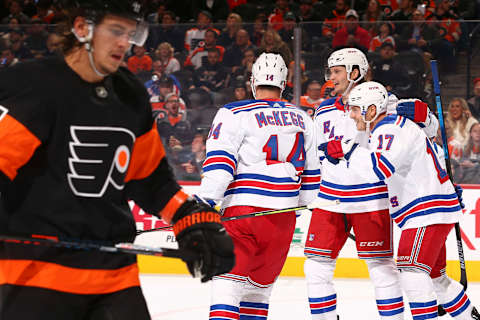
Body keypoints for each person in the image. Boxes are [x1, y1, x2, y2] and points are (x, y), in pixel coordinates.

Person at [0, 1, 235, 319]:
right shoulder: (33, 85)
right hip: (35, 276)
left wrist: (189, 217)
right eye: (115, 31)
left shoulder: (129, 94)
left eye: (130, 32)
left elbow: (152, 181)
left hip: (113, 279)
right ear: (82, 29)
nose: (125, 43)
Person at [304, 47, 440, 320]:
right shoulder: (324, 111)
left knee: (380, 267)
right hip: (330, 200)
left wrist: (425, 116)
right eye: (330, 71)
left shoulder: (386, 104)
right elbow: (314, 157)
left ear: (355, 72)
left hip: (371, 199)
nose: (331, 77)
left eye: (337, 71)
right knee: (315, 266)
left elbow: (429, 132)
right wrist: (309, 194)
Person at [331, 81, 480, 320]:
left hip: (425, 209)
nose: (351, 114)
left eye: (356, 109)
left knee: (411, 271)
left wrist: (345, 150)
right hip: (432, 206)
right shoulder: (394, 127)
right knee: (435, 277)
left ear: (371, 110)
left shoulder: (388, 129)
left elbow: (379, 168)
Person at [198, 53, 320, 320]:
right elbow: (312, 179)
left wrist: (203, 203)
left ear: (253, 81)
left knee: (227, 289)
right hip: (282, 220)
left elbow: (220, 166)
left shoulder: (233, 113)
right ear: (284, 84)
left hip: (242, 215)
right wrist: (292, 209)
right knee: (257, 296)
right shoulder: (303, 118)